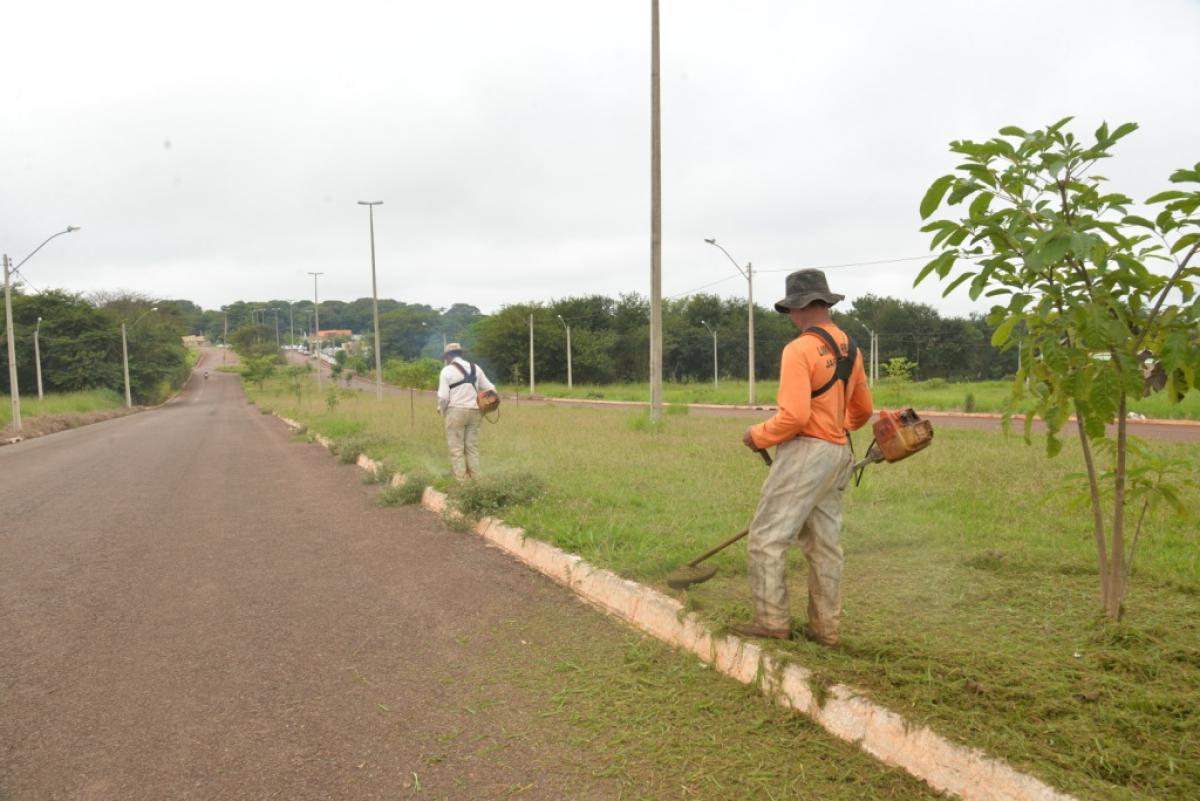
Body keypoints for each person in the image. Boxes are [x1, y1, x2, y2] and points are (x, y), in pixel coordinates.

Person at [733, 269, 873, 646]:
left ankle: (771, 621)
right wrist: (835, 429)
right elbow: (863, 410)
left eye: (792, 311)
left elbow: (794, 417)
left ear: (799, 308)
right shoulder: (850, 347)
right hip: (838, 452)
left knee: (766, 538)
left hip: (806, 453)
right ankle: (825, 629)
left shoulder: (799, 349)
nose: (792, 317)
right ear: (825, 302)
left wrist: (757, 435)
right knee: (825, 546)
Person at [436, 342, 496, 482]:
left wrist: (442, 410)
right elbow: (491, 389)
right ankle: (476, 478)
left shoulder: (446, 371)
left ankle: (462, 481)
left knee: (456, 448)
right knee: (471, 447)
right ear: (461, 354)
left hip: (456, 411)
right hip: (475, 411)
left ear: (448, 357)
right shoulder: (476, 368)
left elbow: (443, 397)